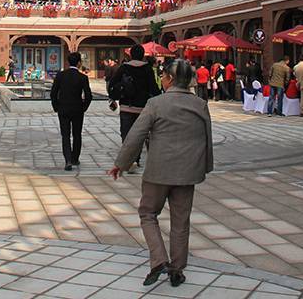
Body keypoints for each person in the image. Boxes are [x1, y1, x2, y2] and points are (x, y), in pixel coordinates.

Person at [107, 59, 213, 288]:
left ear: (171, 79)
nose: (162, 79)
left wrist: (121, 164)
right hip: (187, 172)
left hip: (158, 171)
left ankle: (158, 260)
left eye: (164, 76)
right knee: (181, 222)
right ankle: (177, 269)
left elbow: (135, 135)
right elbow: (207, 137)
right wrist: (205, 166)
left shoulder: (155, 103)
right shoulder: (200, 104)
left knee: (147, 213)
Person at [107, 44, 160, 172]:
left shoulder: (124, 67)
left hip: (126, 106)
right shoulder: (147, 69)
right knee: (141, 134)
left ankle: (128, 161)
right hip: (143, 108)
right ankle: (136, 159)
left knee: (126, 134)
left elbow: (112, 84)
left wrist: (113, 97)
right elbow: (153, 88)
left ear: (130, 55)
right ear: (143, 55)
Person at [50, 52, 93, 171]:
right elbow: (88, 95)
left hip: (63, 109)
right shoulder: (82, 77)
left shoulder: (60, 75)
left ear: (68, 62)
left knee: (65, 135)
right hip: (77, 109)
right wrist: (84, 107)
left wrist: (56, 106)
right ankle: (75, 158)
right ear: (79, 63)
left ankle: (67, 160)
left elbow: (53, 93)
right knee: (77, 134)